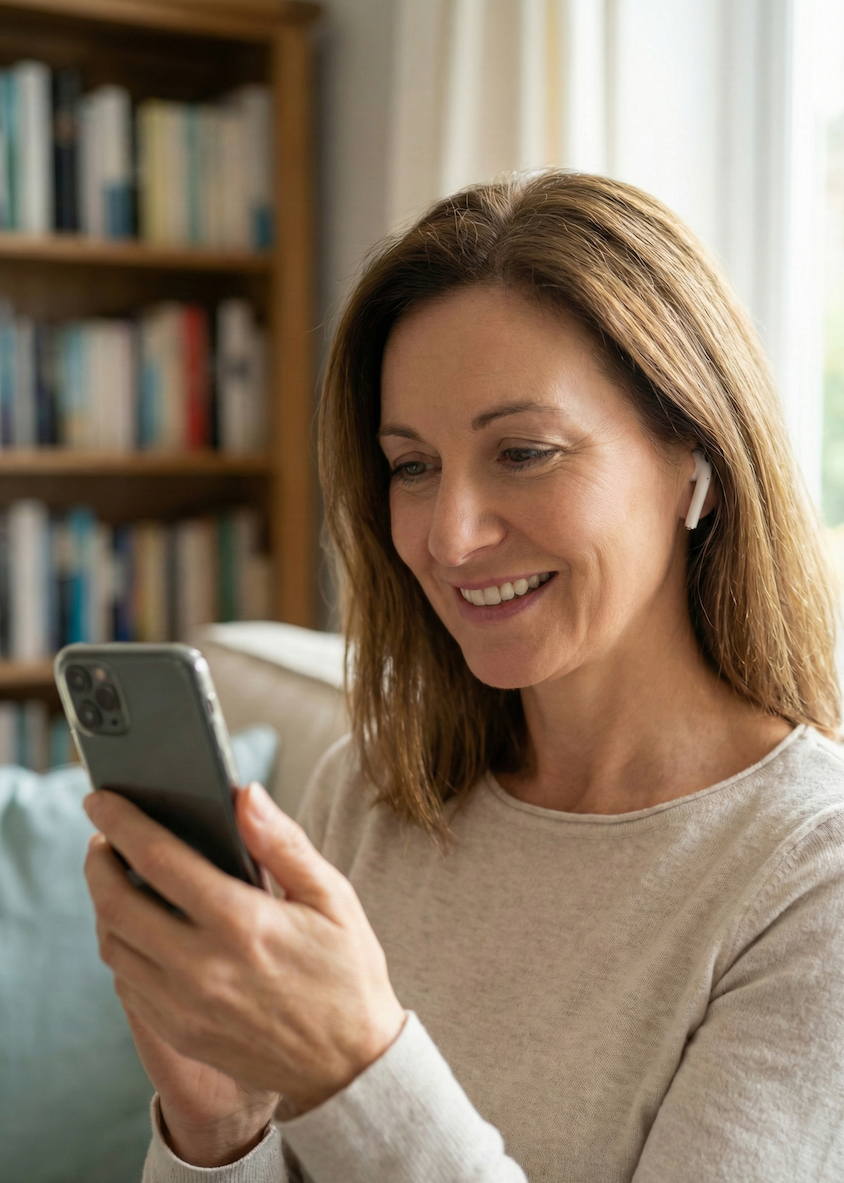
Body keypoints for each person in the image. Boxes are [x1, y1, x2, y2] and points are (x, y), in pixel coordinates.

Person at [84, 171, 844, 1183]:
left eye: (523, 451)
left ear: (692, 460)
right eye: (411, 465)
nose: (448, 535)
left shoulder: (809, 878)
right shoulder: (372, 792)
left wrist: (356, 1070)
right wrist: (217, 1126)